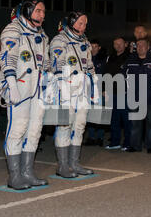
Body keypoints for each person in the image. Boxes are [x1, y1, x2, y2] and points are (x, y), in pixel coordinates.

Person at [0, 0, 50, 189]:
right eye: (38, 11)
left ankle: (27, 172)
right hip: (18, 87)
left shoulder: (42, 36)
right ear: (27, 11)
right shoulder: (13, 30)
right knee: (18, 129)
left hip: (37, 90)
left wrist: (50, 83)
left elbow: (46, 63)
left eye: (43, 12)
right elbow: (6, 58)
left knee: (34, 131)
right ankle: (15, 175)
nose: (42, 15)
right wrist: (11, 84)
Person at [49, 11, 95, 178]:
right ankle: (62, 166)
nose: (83, 27)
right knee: (64, 126)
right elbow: (57, 65)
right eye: (80, 23)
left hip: (82, 89)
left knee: (80, 126)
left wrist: (93, 85)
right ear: (72, 23)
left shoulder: (85, 42)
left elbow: (89, 66)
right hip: (65, 89)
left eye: (85, 24)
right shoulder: (59, 40)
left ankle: (74, 163)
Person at [124, 38, 151, 154]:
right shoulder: (131, 60)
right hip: (135, 97)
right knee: (135, 123)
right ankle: (135, 145)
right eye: (138, 45)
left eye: (142, 45)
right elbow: (125, 77)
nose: (140, 47)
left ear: (148, 47)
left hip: (150, 97)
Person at [104, 37, 132, 151]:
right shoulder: (110, 57)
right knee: (114, 119)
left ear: (125, 44)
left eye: (120, 44)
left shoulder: (130, 57)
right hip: (111, 93)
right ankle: (115, 142)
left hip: (124, 93)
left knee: (126, 120)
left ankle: (128, 143)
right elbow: (106, 73)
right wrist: (104, 89)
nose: (118, 46)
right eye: (115, 44)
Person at [84, 39, 106, 146]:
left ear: (99, 47)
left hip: (100, 91)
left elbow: (107, 75)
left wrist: (105, 89)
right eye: (91, 46)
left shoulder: (104, 59)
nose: (93, 48)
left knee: (100, 115)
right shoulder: (86, 59)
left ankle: (100, 137)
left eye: (95, 46)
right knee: (89, 114)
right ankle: (91, 137)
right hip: (88, 91)